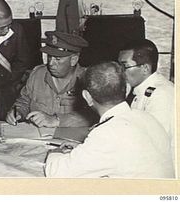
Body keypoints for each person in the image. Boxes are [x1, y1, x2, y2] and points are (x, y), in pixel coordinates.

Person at [45, 61, 174, 178]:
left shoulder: (107, 133)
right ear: (127, 89)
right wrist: (84, 149)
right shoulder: (146, 117)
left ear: (87, 97)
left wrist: (56, 151)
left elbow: (56, 173)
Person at [6, 31, 97, 128]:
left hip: (73, 140)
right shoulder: (37, 74)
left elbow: (95, 115)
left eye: (58, 59)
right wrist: (18, 112)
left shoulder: (90, 79)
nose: (51, 63)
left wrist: (55, 120)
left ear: (73, 60)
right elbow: (24, 101)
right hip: (38, 139)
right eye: (50, 57)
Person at [118, 39, 175, 162]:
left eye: (125, 66)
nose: (120, 72)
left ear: (144, 68)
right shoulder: (139, 90)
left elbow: (155, 142)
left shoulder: (162, 94)